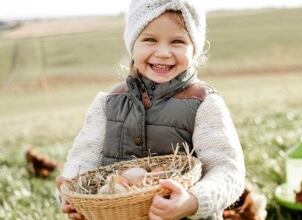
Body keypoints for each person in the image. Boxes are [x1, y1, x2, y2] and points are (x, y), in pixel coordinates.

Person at [55, 0, 246, 219]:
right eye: (149, 39)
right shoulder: (108, 103)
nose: (163, 52)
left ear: (194, 48)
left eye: (177, 41)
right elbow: (82, 161)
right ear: (132, 44)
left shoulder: (203, 103)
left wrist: (192, 201)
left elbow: (228, 171)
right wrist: (70, 195)